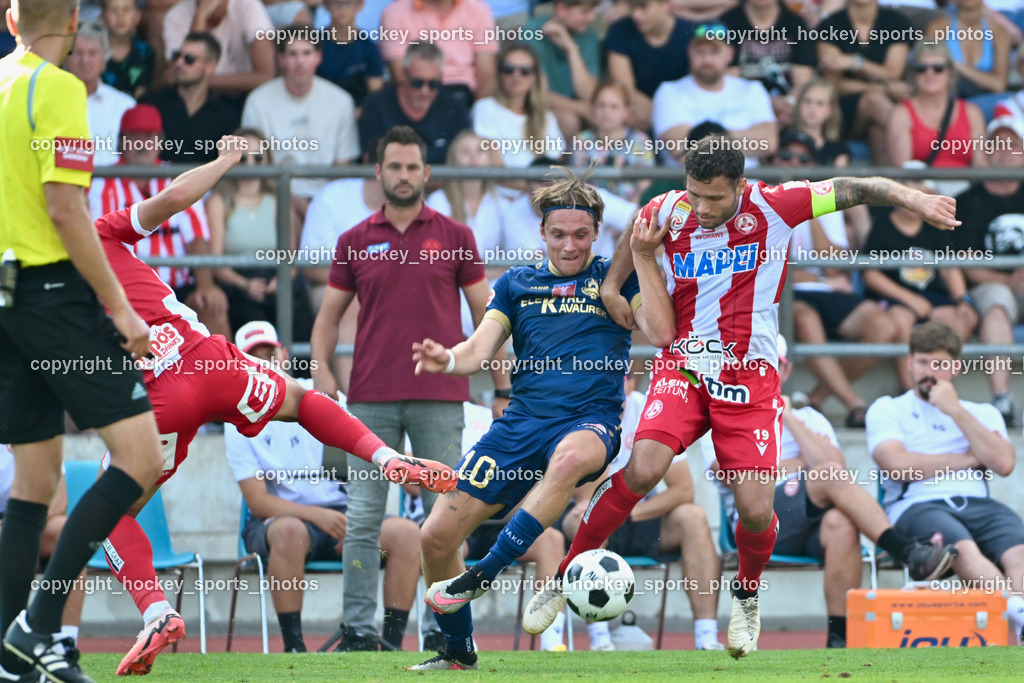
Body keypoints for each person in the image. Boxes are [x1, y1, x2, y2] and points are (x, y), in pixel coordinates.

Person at [521, 134, 962, 659]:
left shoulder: (776, 205)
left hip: (750, 377)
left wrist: (914, 199)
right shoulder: (670, 207)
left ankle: (747, 596)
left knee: (755, 509)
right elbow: (639, 229)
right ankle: (569, 568)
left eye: (714, 198)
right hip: (684, 366)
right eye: (695, 194)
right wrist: (614, 285)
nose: (702, 208)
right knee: (642, 468)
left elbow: (856, 186)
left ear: (740, 186)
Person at [83, 137, 456, 676]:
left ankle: (156, 611)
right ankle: (383, 458)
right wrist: (227, 161)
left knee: (108, 510)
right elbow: (170, 201)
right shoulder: (100, 233)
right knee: (303, 397)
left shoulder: (37, 289)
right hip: (205, 359)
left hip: (153, 401)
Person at [407, 166, 668, 671]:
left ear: (596, 234)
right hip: (520, 423)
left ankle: (483, 572)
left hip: (590, 422)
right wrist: (448, 360)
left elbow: (660, 330)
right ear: (542, 233)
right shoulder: (515, 285)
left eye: (581, 235)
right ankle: (458, 652)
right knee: (434, 537)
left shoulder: (616, 281)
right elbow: (478, 350)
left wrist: (640, 258)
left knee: (570, 458)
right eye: (558, 234)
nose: (569, 245)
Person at [0, 0, 164, 678]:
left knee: (34, 481)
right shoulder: (59, 87)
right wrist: (121, 310)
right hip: (51, 294)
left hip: (4, 299)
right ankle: (39, 624)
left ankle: (10, 657)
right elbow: (68, 209)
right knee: (142, 456)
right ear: (72, 21)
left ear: (10, 20)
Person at [310, 125, 510, 652]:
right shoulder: (354, 239)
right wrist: (322, 371)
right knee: (363, 521)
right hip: (369, 397)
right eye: (392, 166)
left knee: (446, 520)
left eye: (411, 167)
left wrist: (502, 386)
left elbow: (490, 316)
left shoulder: (456, 236)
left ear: (427, 173)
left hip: (442, 398)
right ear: (377, 173)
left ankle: (444, 633)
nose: (402, 175)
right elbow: (328, 318)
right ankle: (357, 630)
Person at [706, 335, 958, 649]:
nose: (764, 373)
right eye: (756, 367)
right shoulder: (723, 414)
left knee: (841, 524)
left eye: (772, 366)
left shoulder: (809, 417)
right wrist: (802, 464)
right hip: (754, 524)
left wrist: (787, 417)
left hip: (811, 522)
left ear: (785, 372)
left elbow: (835, 466)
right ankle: (906, 552)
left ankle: (838, 639)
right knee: (825, 474)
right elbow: (731, 473)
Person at [225, 321, 422, 653]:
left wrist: (358, 523)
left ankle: (391, 644)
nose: (264, 364)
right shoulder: (238, 420)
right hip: (284, 523)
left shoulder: (326, 398)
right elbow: (258, 503)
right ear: (242, 366)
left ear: (284, 355)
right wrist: (318, 516)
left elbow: (365, 467)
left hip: (343, 517)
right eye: (253, 358)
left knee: (406, 535)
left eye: (269, 354)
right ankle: (295, 648)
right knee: (288, 532)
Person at [867, 322, 1024, 640]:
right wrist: (970, 458)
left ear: (955, 367)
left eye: (939, 364)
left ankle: (1018, 625)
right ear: (910, 362)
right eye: (923, 362)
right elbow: (897, 466)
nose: (930, 372)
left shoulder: (980, 412)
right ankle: (1019, 614)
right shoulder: (888, 408)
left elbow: (1004, 463)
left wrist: (954, 411)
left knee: (1019, 553)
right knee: (961, 549)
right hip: (917, 506)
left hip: (979, 505)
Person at [559, 373, 723, 651]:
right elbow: (583, 496)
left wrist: (629, 512)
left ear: (631, 383)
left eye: (618, 378)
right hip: (593, 512)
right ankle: (600, 637)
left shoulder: (653, 408)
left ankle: (706, 636)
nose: (611, 385)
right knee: (580, 519)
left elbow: (683, 491)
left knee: (693, 517)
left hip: (641, 514)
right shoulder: (580, 410)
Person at [775, 130, 899, 428]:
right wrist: (810, 274)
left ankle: (815, 397)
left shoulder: (823, 198)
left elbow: (834, 265)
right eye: (787, 156)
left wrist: (806, 211)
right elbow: (768, 268)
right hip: (784, 295)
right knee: (804, 318)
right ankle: (855, 404)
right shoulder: (759, 198)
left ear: (812, 165)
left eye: (803, 158)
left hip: (825, 289)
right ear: (775, 159)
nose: (794, 162)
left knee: (884, 326)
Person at [89, 104, 231, 339]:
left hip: (177, 289)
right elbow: (97, 245)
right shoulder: (100, 184)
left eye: (149, 137)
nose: (142, 144)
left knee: (212, 303)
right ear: (121, 141)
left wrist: (205, 285)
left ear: (160, 140)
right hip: (126, 290)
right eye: (134, 137)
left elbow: (197, 238)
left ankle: (224, 374)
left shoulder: (178, 178)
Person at [206, 128, 312, 340]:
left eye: (258, 157)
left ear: (268, 160)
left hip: (275, 276)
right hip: (237, 283)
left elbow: (290, 256)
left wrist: (280, 281)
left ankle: (300, 373)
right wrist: (244, 284)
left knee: (298, 312)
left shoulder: (278, 200)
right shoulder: (218, 202)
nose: (250, 164)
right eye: (242, 158)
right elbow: (215, 262)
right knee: (252, 321)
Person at [241, 30, 360, 215]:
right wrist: (299, 206)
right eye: (292, 54)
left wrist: (320, 209)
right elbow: (257, 165)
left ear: (318, 57)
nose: (300, 61)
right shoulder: (257, 101)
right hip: (275, 195)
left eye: (307, 53)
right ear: (281, 59)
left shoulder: (341, 101)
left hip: (327, 198)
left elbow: (342, 168)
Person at [954, 116, 1024, 426]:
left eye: (1014, 145)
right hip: (991, 284)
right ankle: (1002, 399)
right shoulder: (967, 201)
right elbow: (966, 262)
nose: (1005, 152)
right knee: (996, 305)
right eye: (997, 144)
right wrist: (1008, 278)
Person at [652, 23, 777, 167]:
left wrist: (702, 138)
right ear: (689, 52)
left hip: (746, 186)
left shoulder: (752, 89)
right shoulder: (669, 92)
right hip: (688, 186)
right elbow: (680, 149)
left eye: (715, 52)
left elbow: (768, 143)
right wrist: (741, 139)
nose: (707, 60)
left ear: (729, 54)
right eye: (700, 52)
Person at [0, 452, 86, 658]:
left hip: (27, 523)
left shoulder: (40, 428)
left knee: (67, 533)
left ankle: (63, 646)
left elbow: (58, 504)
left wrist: (17, 531)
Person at [816, 0, 914, 165]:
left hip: (884, 108)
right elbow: (833, 86)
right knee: (874, 99)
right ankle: (919, 143)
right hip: (841, 113)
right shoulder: (829, 25)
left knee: (878, 134)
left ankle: (888, 187)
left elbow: (894, 72)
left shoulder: (897, 22)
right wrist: (883, 88)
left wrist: (856, 62)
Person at [887, 41, 986, 197]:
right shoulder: (902, 113)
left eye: (938, 68)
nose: (930, 73)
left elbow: (981, 168)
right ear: (913, 74)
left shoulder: (972, 113)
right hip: (920, 197)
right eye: (921, 69)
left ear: (950, 73)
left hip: (965, 196)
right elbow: (903, 173)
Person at [358, 43, 470, 165]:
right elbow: (372, 164)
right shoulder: (376, 106)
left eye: (433, 84)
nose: (425, 91)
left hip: (445, 184)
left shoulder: (454, 107)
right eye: (417, 83)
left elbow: (463, 166)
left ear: (441, 78)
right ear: (404, 74)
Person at [139, 33, 240, 164]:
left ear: (211, 66)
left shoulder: (227, 117)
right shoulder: (150, 104)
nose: (179, 63)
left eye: (189, 59)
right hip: (158, 184)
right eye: (177, 56)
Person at [721, 0, 816, 128]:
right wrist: (766, 104)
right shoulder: (729, 22)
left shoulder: (795, 23)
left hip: (789, 110)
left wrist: (788, 103)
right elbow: (731, 81)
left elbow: (803, 81)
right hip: (744, 111)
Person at [471, 42, 565, 171]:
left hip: (539, 190)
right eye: (508, 69)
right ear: (499, 74)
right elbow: (498, 171)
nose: (516, 75)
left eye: (525, 71)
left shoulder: (546, 116)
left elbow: (554, 167)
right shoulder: (485, 108)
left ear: (534, 78)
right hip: (501, 191)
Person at [603, 0, 693, 132]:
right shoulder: (620, 31)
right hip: (639, 114)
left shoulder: (690, 33)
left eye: (644, 7)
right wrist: (663, 115)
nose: (636, 15)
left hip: (682, 113)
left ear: (666, 4)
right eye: (633, 7)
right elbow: (623, 89)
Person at [162, 0, 275, 98]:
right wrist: (200, 16)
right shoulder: (175, 16)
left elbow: (265, 76)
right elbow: (177, 77)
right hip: (194, 99)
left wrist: (200, 80)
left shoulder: (248, 6)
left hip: (242, 97)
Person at [62, 20, 136, 167]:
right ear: (65, 59)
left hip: (113, 187)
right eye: (78, 53)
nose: (85, 60)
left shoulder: (125, 105)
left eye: (93, 53)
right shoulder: (52, 101)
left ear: (104, 60)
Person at [522, 0, 601, 138]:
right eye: (585, 12)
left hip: (576, 104)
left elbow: (589, 94)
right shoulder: (532, 32)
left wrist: (571, 49)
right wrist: (580, 108)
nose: (591, 17)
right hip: (538, 106)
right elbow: (536, 92)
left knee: (606, 116)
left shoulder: (589, 36)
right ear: (561, 9)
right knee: (569, 120)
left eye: (593, 11)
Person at [568, 82, 655, 205]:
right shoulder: (581, 140)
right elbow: (576, 182)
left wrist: (631, 215)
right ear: (593, 108)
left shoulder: (640, 140)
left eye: (614, 107)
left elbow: (645, 184)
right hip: (590, 207)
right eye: (601, 105)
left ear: (627, 112)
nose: (606, 112)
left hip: (629, 209)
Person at [788, 78, 851, 167]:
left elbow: (837, 178)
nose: (812, 108)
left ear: (831, 110)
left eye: (820, 103)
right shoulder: (782, 139)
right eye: (807, 101)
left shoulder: (839, 150)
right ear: (799, 105)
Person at [101, 0, 155, 98]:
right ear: (103, 16)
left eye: (127, 10)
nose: (120, 16)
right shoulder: (95, 50)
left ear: (137, 16)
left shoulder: (146, 52)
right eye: (113, 10)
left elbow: (141, 93)